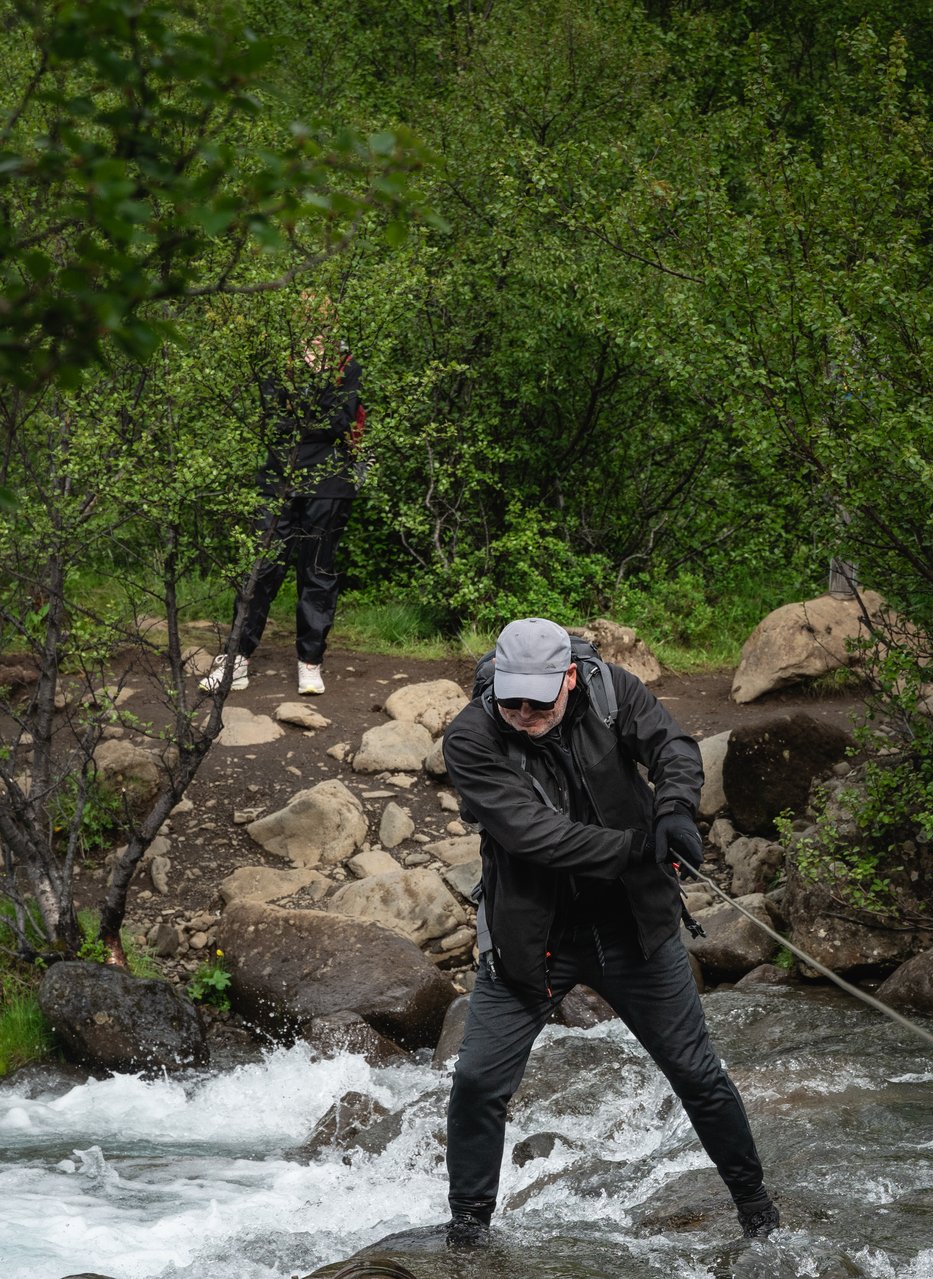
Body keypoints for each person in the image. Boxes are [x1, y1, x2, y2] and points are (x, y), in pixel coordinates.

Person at [438, 617, 780, 1247]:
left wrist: (674, 809)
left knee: (698, 1074)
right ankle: (467, 1231)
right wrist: (637, 848)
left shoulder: (612, 690)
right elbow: (533, 835)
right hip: (531, 938)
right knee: (479, 1082)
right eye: (509, 698)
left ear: (569, 678)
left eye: (536, 701)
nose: (521, 712)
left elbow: (674, 748)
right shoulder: (471, 738)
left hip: (635, 929)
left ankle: (757, 1211)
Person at [200, 304, 364, 696]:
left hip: (329, 483)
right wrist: (313, 407)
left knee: (318, 573)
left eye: (322, 322)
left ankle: (310, 663)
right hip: (279, 480)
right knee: (262, 568)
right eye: (308, 321)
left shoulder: (347, 365)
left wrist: (313, 397)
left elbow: (340, 422)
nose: (316, 329)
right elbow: (275, 419)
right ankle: (236, 660)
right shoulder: (280, 364)